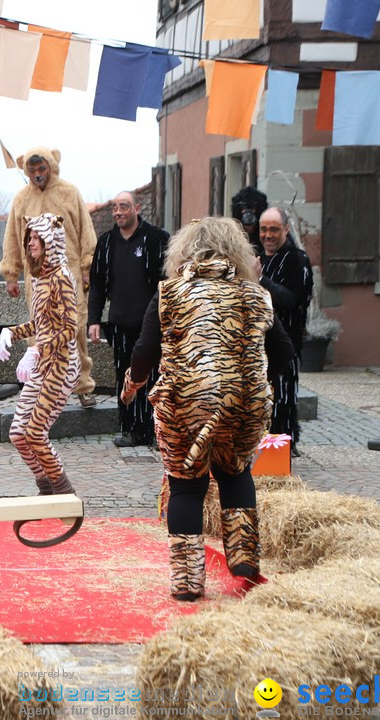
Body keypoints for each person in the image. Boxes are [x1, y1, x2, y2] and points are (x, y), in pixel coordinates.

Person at [120, 217, 294, 602]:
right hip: (243, 403)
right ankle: (245, 559)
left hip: (186, 403)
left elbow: (145, 350)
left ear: (183, 252)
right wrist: (255, 381)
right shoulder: (253, 294)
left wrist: (133, 382)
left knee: (186, 484)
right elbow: (283, 351)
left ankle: (187, 581)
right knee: (234, 473)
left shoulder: (171, 293)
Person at [0, 147, 98, 408]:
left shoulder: (69, 192)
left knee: (74, 328)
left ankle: (83, 385)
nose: (37, 174)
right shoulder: (21, 199)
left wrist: (88, 269)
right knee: (39, 327)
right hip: (36, 277)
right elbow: (12, 237)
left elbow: (86, 232)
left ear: (51, 167)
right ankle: (40, 384)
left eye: (41, 168)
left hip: (70, 274)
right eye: (32, 170)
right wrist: (12, 273)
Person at [0, 214, 80, 496]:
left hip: (61, 365)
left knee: (35, 432)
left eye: (37, 238)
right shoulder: (40, 278)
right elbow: (41, 324)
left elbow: (70, 328)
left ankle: (64, 492)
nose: (31, 243)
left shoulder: (61, 278)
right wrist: (10, 332)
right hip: (43, 363)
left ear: (50, 242)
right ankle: (46, 489)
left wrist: (36, 350)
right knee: (18, 434)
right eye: (29, 238)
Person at [87, 191, 169, 448]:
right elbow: (97, 285)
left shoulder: (158, 239)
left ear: (137, 208)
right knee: (126, 379)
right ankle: (131, 430)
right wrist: (94, 320)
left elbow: (170, 280)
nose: (118, 212)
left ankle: (158, 432)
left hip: (153, 325)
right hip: (120, 323)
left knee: (156, 379)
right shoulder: (106, 243)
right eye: (114, 208)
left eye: (123, 207)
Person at [256, 208, 313, 455]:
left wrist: (261, 280)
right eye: (264, 229)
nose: (268, 235)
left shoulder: (297, 259)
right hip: (256, 343)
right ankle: (260, 445)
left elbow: (291, 299)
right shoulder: (255, 256)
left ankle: (283, 447)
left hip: (285, 342)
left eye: (274, 230)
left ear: (286, 230)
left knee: (283, 395)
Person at [230, 186, 268, 256]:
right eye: (244, 208)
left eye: (252, 208)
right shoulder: (231, 234)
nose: (248, 213)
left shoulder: (267, 232)